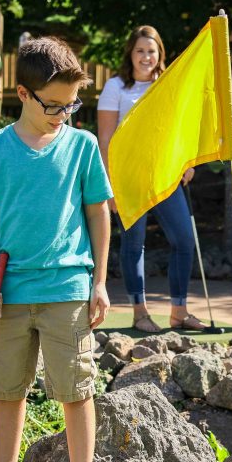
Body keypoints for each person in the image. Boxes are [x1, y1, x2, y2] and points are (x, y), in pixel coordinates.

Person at [0, 37, 112, 462]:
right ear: (22, 94)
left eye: (71, 105)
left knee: (75, 390)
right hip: (9, 291)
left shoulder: (82, 146)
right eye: (52, 105)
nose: (62, 114)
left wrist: (101, 282)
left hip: (69, 288)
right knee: (8, 389)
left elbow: (98, 214)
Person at [97, 25, 206, 333]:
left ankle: (179, 312)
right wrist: (109, 186)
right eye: (140, 51)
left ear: (160, 54)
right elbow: (105, 140)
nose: (146, 56)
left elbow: (179, 130)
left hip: (166, 178)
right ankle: (140, 313)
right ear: (130, 54)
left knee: (184, 240)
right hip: (129, 179)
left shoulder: (167, 85)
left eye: (151, 50)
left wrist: (187, 162)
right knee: (134, 245)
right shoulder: (116, 87)